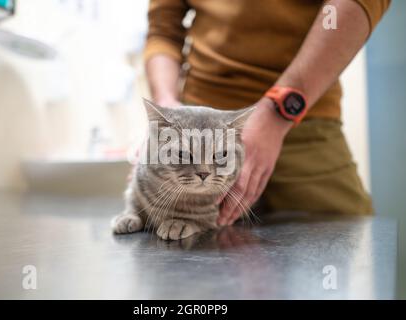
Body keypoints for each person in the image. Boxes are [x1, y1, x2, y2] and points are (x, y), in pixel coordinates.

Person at [143, 0, 390, 226]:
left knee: (351, 251)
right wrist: (168, 112)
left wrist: (278, 111)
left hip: (302, 124)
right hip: (199, 129)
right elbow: (163, 29)